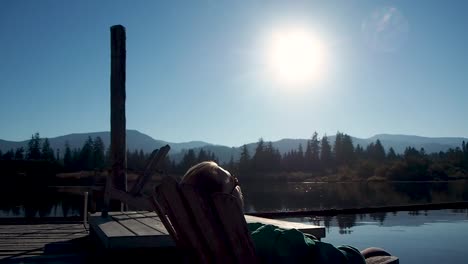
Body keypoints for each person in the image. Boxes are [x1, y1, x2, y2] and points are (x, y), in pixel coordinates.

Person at [181, 161, 399, 264]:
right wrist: (356, 254)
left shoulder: (204, 241)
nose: (239, 186)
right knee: (377, 252)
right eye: (234, 182)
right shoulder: (273, 240)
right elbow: (337, 260)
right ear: (225, 200)